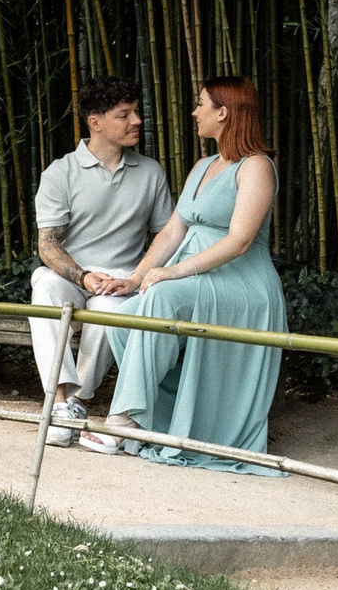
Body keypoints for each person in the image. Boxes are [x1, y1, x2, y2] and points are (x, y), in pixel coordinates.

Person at [103, 77, 289, 473]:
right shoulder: (203, 165)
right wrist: (138, 278)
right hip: (196, 277)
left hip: (242, 282)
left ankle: (125, 420)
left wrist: (171, 274)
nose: (194, 111)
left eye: (201, 104)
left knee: (162, 299)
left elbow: (239, 241)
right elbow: (173, 230)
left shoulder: (256, 166)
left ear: (223, 112)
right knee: (119, 320)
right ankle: (161, 420)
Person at [30, 75, 173, 448]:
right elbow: (48, 246)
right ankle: (59, 402)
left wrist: (139, 277)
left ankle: (78, 403)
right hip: (74, 275)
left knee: (109, 310)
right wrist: (84, 276)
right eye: (124, 115)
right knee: (44, 284)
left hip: (123, 279)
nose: (137, 121)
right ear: (95, 122)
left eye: (136, 113)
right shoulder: (60, 173)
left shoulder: (151, 173)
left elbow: (166, 236)